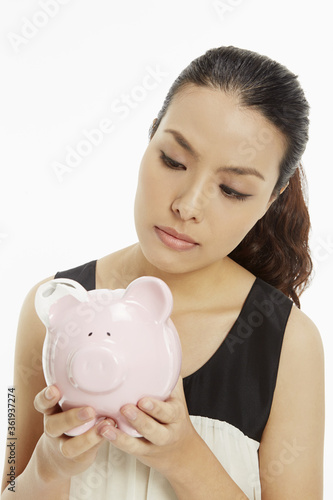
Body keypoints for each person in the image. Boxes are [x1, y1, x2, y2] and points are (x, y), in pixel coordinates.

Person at [1, 45, 324, 500]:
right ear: (150, 139)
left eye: (232, 189)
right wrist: (49, 470)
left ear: (269, 201)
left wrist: (186, 460)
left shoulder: (289, 342)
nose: (187, 206)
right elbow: (11, 487)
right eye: (173, 160)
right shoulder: (53, 307)